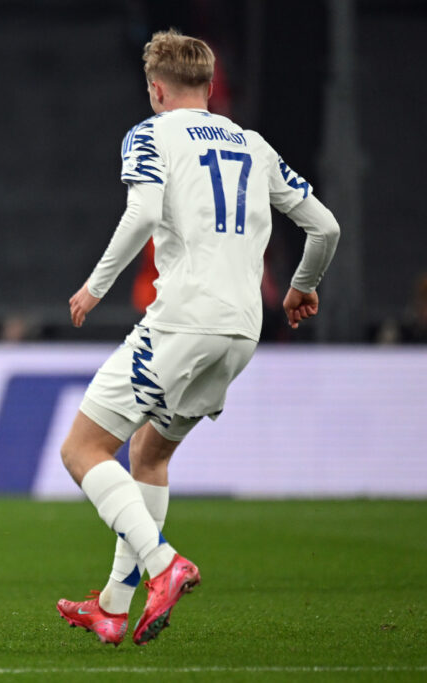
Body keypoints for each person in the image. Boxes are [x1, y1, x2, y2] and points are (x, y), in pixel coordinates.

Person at [55, 30, 340, 647]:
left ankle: (164, 565)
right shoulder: (253, 144)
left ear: (156, 89)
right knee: (150, 455)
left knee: (82, 451)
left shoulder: (151, 133)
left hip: (182, 322)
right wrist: (299, 287)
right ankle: (111, 605)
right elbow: (325, 227)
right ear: (210, 88)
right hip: (243, 330)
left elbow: (142, 214)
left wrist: (94, 287)